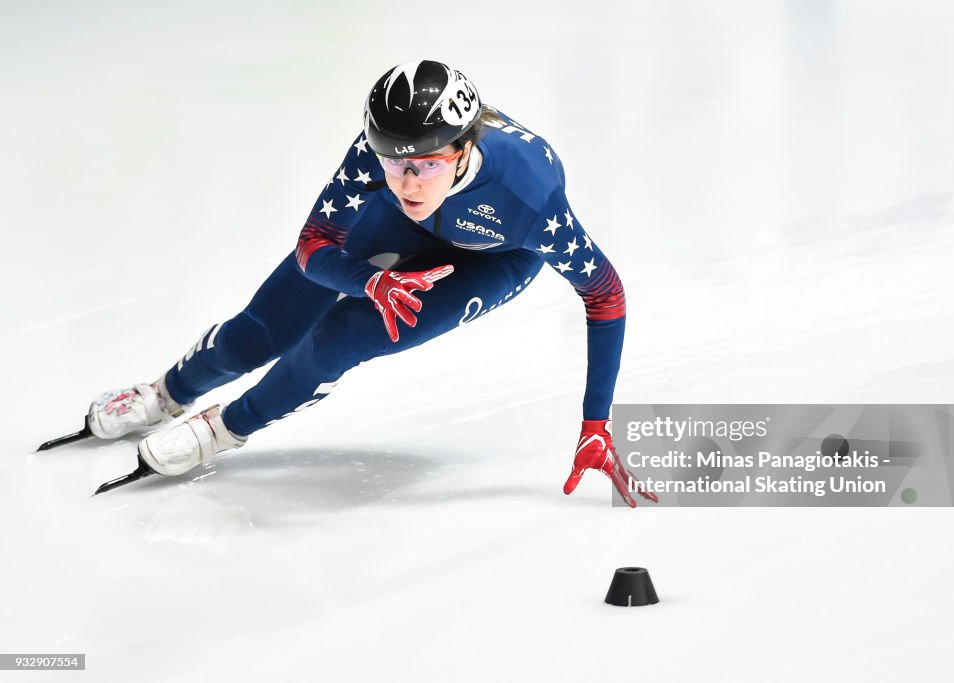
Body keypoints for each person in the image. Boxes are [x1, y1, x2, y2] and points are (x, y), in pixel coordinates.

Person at [82, 60, 658, 506]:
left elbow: (606, 294)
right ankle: (165, 394)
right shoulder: (381, 150)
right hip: (397, 231)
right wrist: (371, 280)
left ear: (464, 151)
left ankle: (224, 429)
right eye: (393, 161)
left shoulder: (529, 200)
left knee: (341, 337)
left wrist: (595, 423)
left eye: (427, 163)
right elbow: (314, 244)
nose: (408, 178)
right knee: (260, 331)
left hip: (490, 255)